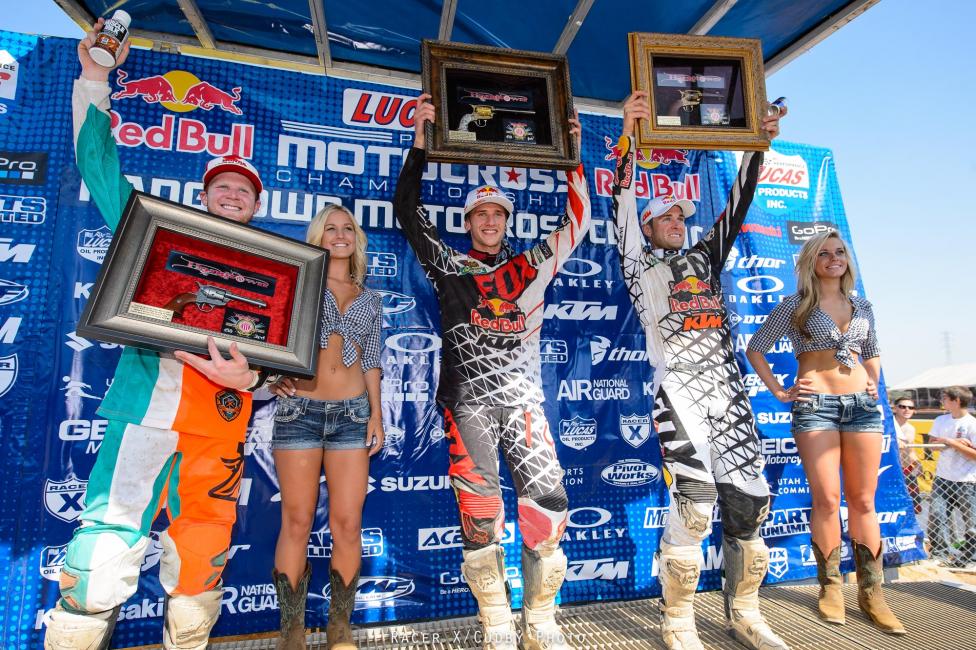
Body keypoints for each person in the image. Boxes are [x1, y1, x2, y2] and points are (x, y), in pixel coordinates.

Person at [45, 20, 270, 649]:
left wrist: (252, 376)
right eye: (222, 187)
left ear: (255, 207)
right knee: (102, 550)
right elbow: (101, 169)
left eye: (243, 192)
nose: (232, 196)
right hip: (146, 410)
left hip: (223, 418)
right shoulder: (156, 236)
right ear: (203, 197)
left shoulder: (276, 271)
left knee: (202, 556)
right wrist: (94, 79)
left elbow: (285, 349)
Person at [392, 94, 589, 650]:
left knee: (548, 510)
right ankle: (497, 623)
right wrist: (420, 142)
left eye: (498, 213)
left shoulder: (532, 265)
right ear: (469, 221)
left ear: (508, 219)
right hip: (469, 403)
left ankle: (542, 622)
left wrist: (574, 155)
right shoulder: (449, 264)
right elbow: (408, 211)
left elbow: (578, 221)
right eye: (480, 213)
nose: (489, 220)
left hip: (524, 402)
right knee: (479, 518)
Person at [611, 91, 787, 650]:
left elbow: (738, 202)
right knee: (694, 502)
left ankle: (746, 612)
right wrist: (628, 138)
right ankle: (678, 619)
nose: (675, 222)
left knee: (750, 502)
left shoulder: (705, 258)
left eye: (679, 217)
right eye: (664, 217)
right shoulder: (640, 268)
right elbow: (619, 208)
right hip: (679, 394)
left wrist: (758, 143)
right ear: (648, 226)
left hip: (728, 393)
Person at [746, 230, 905, 635]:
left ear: (847, 260)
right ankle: (831, 588)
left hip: (863, 410)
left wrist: (872, 380)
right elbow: (756, 347)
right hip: (814, 408)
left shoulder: (863, 305)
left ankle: (873, 594)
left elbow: (872, 351)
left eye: (840, 252)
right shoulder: (797, 305)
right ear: (811, 262)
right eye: (825, 253)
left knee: (864, 501)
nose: (834, 258)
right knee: (828, 499)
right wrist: (781, 390)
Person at [268, 204, 384, 650]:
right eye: (330, 228)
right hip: (300, 413)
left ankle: (340, 630)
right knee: (296, 521)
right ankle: (291, 633)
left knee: (348, 524)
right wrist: (269, 374)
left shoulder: (369, 298)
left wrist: (376, 414)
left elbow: (372, 359)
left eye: (347, 228)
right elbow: (268, 335)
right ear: (316, 237)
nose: (340, 235)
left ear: (356, 238)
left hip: (352, 416)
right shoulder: (296, 285)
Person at [926, 386, 976, 567]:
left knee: (971, 522)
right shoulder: (941, 420)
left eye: (945, 398)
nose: (942, 401)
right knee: (937, 516)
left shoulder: (972, 424)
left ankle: (971, 558)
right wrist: (953, 443)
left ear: (956, 401)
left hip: (968, 480)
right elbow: (931, 444)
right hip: (943, 477)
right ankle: (940, 554)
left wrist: (950, 442)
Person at [892, 397, 922, 514]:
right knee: (894, 506)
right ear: (895, 408)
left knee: (914, 507)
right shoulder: (888, 426)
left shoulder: (911, 428)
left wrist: (917, 463)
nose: (907, 409)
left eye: (910, 407)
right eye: (902, 407)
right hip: (891, 470)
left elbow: (910, 449)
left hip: (908, 470)